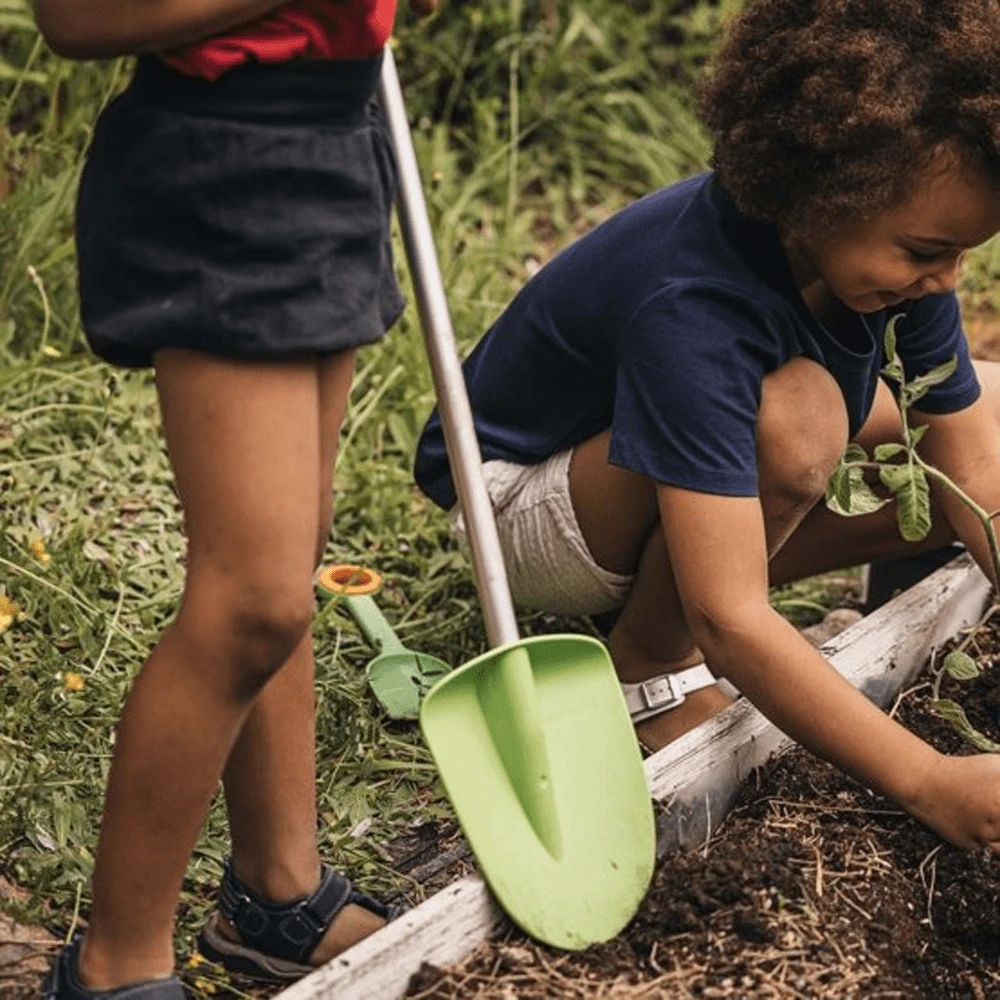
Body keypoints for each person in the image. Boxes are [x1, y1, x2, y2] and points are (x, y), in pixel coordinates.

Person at [416, 0, 1000, 854]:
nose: (946, 280)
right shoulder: (694, 304)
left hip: (636, 453)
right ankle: (649, 665)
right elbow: (731, 617)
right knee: (799, 426)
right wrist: (930, 781)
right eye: (923, 252)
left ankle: (786, 577)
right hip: (515, 503)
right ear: (816, 193)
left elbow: (976, 473)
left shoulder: (890, 259)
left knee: (988, 409)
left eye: (964, 254)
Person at [32, 1, 437, 996]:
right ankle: (114, 965)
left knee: (287, 557)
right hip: (225, 157)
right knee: (251, 600)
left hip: (336, 135)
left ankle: (277, 894)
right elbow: (77, 17)